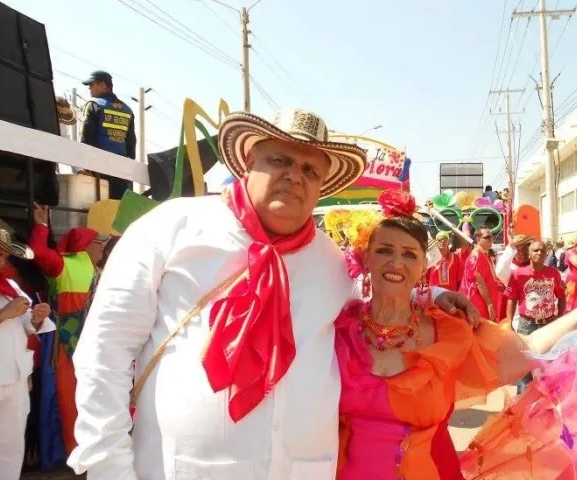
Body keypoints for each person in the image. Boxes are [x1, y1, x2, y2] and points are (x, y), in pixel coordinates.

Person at [67, 109, 479, 480]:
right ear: (249, 162)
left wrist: (435, 293)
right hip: (177, 467)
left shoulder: (329, 260)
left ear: (321, 186)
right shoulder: (172, 227)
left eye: (310, 170)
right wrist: (108, 465)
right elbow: (105, 349)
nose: (294, 176)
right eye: (279, 160)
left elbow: (372, 298)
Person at [332, 189, 577, 478]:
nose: (396, 262)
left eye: (409, 254)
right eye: (384, 250)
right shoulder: (338, 328)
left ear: (424, 266)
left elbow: (529, 347)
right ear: (366, 258)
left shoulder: (446, 331)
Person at [0, 227, 55, 480]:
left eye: (5, 257)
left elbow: (27, 325)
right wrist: (3, 314)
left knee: (10, 450)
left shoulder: (8, 285)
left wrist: (38, 319)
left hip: (16, 379)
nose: (2, 262)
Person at [27, 206, 107, 455]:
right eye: (99, 242)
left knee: (96, 393)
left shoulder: (101, 271)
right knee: (69, 393)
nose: (102, 247)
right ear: (86, 244)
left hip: (96, 341)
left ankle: (94, 446)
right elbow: (39, 253)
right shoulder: (64, 264)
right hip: (66, 342)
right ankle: (72, 450)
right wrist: (42, 225)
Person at [504, 239, 565, 393]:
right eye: (536, 250)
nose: (539, 253)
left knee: (548, 363)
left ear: (546, 254)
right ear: (529, 254)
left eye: (542, 251)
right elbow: (511, 299)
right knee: (525, 365)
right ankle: (522, 400)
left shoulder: (553, 273)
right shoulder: (518, 274)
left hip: (548, 324)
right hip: (527, 324)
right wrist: (509, 322)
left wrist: (559, 317)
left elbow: (561, 296)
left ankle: (545, 400)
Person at [79, 70, 136, 199]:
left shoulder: (93, 105)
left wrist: (85, 167)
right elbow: (131, 143)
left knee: (96, 208)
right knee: (116, 209)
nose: (89, 88)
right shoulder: (127, 110)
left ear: (103, 85)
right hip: (121, 172)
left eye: (92, 84)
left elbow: (86, 138)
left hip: (98, 169)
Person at [460, 227, 502, 321]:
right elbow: (479, 282)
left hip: (484, 302)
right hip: (478, 303)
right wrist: (489, 304)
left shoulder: (484, 254)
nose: (491, 239)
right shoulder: (477, 255)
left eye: (492, 236)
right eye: (487, 237)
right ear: (478, 239)